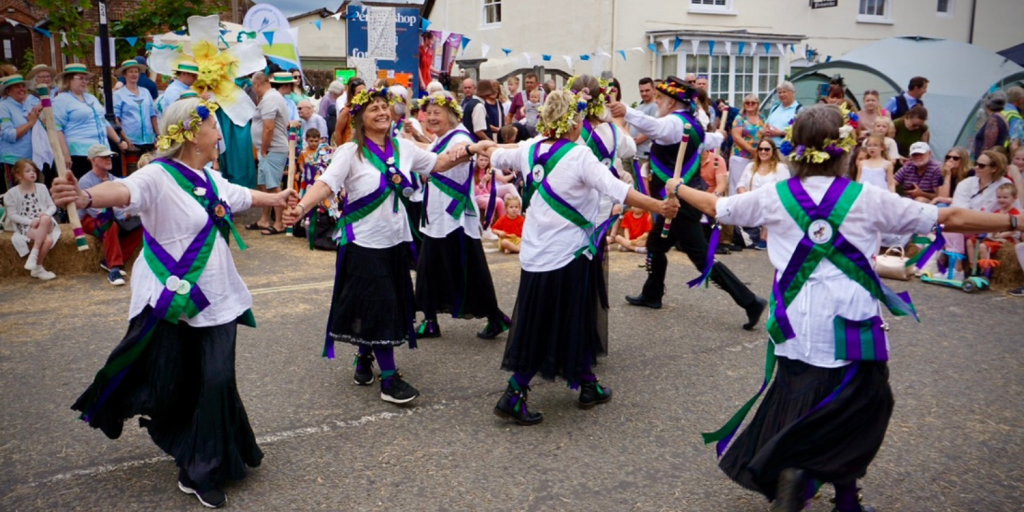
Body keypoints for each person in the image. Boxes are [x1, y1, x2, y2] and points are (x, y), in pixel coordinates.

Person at [673, 103, 1024, 512]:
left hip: (795, 324)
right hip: (850, 325)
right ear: (844, 150)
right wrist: (1014, 224)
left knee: (797, 400)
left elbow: (718, 207)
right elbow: (951, 217)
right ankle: (821, 484)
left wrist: (678, 188)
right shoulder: (869, 198)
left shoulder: (774, 196)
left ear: (795, 150)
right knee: (861, 411)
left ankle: (821, 485)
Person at [54, 97, 293, 509]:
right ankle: (197, 466)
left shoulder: (211, 179)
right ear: (191, 133)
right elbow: (124, 190)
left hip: (217, 298)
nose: (220, 134)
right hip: (169, 300)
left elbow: (240, 196)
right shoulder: (157, 177)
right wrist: (87, 197)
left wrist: (279, 198)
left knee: (217, 380)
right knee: (173, 381)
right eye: (214, 127)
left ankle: (209, 454)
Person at [469, 88, 679, 425]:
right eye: (579, 117)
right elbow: (619, 191)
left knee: (569, 317)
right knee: (551, 321)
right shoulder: (580, 156)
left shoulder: (530, 150)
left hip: (536, 254)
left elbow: (496, 155)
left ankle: (587, 383)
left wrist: (480, 147)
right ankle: (514, 392)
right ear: (573, 121)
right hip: (568, 255)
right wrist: (660, 206)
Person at [280, 87, 476, 405]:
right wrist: (301, 208)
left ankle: (363, 355)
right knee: (380, 303)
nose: (383, 112)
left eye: (385, 106)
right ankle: (389, 379)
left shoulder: (404, 148)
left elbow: (437, 163)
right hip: (363, 242)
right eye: (374, 109)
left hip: (396, 242)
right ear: (359, 118)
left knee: (381, 304)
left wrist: (468, 149)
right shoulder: (349, 152)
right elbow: (326, 183)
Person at [608, 76, 767, 327]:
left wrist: (626, 111)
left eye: (661, 98)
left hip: (681, 205)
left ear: (672, 102)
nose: (658, 102)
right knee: (656, 245)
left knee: (701, 258)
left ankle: (750, 301)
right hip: (677, 202)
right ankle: (652, 294)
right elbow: (708, 140)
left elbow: (655, 128)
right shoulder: (691, 124)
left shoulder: (673, 123)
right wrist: (719, 135)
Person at [412, 91, 511, 340]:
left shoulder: (459, 137)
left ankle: (495, 317)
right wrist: (407, 141)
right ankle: (431, 319)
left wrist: (465, 148)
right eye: (429, 113)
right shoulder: (442, 138)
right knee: (431, 269)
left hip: (454, 216)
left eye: (438, 113)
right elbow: (427, 151)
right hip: (439, 215)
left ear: (452, 115)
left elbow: (458, 152)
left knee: (468, 270)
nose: (432, 118)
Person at [569, 75, 636, 223]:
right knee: (597, 241)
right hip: (602, 202)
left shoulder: (566, 131)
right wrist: (616, 122)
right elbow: (631, 148)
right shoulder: (612, 131)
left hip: (571, 200)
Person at [940, 150, 1015, 279]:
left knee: (952, 228)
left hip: (989, 225)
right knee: (946, 226)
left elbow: (1007, 210)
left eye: (981, 165)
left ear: (994, 168)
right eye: (976, 163)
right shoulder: (966, 183)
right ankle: (954, 268)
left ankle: (959, 270)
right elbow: (958, 209)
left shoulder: (1004, 185)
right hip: (967, 221)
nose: (976, 167)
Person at [78, 144, 143, 285]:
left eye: (110, 156)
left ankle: (111, 261)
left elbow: (125, 203)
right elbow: (95, 212)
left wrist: (125, 213)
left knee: (141, 224)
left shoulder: (114, 179)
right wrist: (123, 214)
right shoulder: (85, 181)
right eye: (104, 157)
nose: (109, 159)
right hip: (88, 220)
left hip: (113, 216)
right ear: (93, 160)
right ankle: (114, 268)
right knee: (109, 224)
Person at [52, 63, 129, 178]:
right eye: (80, 78)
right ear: (69, 80)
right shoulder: (61, 100)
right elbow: (57, 128)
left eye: (86, 78)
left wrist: (119, 141)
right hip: (80, 153)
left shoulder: (91, 98)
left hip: (102, 151)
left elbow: (103, 122)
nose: (84, 81)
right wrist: (65, 154)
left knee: (104, 186)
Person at [248, 72, 292, 236]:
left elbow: (269, 128)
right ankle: (264, 219)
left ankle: (279, 223)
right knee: (264, 185)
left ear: (256, 84)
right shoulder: (270, 98)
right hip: (268, 149)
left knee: (273, 186)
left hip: (272, 148)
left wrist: (264, 148)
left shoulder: (270, 99)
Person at [3, 159, 59, 280]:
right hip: (28, 225)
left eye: (34, 170)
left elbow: (52, 206)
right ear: (18, 175)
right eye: (28, 171)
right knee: (48, 241)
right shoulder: (11, 193)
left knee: (45, 219)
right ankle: (37, 268)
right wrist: (29, 222)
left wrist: (46, 213)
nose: (32, 173)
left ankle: (34, 252)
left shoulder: (42, 187)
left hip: (45, 223)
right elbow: (12, 215)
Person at [737, 138, 791, 249]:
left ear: (773, 151)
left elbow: (785, 190)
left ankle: (764, 237)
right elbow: (740, 185)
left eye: (767, 149)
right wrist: (747, 197)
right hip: (750, 201)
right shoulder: (750, 166)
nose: (763, 152)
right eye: (760, 149)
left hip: (771, 203)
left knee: (768, 207)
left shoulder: (781, 168)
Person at [965, 183, 1020, 275]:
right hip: (993, 238)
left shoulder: (1015, 214)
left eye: (1005, 197)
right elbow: (991, 227)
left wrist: (999, 235)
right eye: (999, 197)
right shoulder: (996, 212)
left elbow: (1013, 231)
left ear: (1014, 198)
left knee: (983, 246)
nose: (1001, 200)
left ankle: (986, 272)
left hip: (1005, 240)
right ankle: (973, 267)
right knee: (970, 241)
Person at [0, 75, 43, 192]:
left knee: (32, 197)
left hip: (31, 160)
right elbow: (10, 135)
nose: (22, 89)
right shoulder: (3, 107)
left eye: (23, 86)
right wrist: (31, 123)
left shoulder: (26, 105)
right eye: (17, 87)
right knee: (15, 198)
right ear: (8, 91)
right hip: (13, 161)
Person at [113, 60, 159, 154]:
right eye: (131, 72)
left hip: (149, 140)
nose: (134, 74)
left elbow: (152, 115)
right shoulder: (119, 94)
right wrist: (125, 139)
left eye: (136, 71)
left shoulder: (145, 92)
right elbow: (116, 119)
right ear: (124, 74)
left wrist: (158, 135)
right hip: (132, 142)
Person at [729, 94, 766, 196]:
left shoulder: (762, 118)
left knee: (753, 183)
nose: (750, 104)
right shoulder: (739, 118)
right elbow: (736, 137)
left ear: (757, 104)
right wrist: (751, 150)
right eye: (747, 103)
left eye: (753, 103)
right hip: (740, 156)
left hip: (757, 156)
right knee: (737, 185)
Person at [632, 77, 660, 171]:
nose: (644, 93)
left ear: (654, 90)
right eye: (641, 91)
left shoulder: (655, 106)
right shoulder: (639, 107)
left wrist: (631, 142)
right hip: (632, 152)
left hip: (643, 154)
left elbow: (650, 130)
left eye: (647, 90)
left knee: (641, 183)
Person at [973, 91, 1009, 160]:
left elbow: (988, 145)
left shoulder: (993, 120)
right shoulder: (1002, 117)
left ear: (987, 105)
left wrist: (981, 161)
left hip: (987, 161)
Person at [764, 81, 802, 146]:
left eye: (784, 92)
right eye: (779, 93)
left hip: (786, 151)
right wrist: (766, 130)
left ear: (792, 93)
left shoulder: (799, 109)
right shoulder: (774, 108)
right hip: (770, 149)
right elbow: (766, 125)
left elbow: (800, 134)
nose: (781, 95)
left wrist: (780, 133)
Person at [334, 78, 366, 146]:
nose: (362, 95)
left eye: (364, 92)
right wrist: (340, 149)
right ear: (353, 94)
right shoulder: (346, 111)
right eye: (359, 92)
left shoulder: (367, 110)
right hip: (349, 147)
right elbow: (338, 132)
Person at [1004, 86, 1023, 153]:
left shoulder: (999, 109)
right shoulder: (1014, 116)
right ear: (1021, 100)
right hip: (1004, 150)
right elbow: (1013, 140)